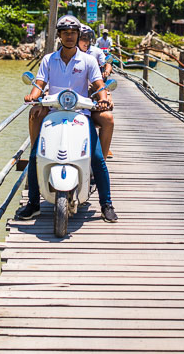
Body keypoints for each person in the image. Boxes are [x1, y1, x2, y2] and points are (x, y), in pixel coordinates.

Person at [17, 15, 118, 223]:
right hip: (53, 114)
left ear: (78, 35)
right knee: (36, 156)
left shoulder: (88, 60)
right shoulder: (49, 59)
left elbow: (99, 84)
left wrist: (103, 98)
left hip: (81, 114)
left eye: (73, 33)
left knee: (98, 158)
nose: (69, 36)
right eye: (65, 33)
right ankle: (33, 204)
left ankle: (106, 204)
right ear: (59, 36)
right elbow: (39, 83)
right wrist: (33, 97)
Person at [79, 25, 115, 159]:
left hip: (89, 97)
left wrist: (105, 97)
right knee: (38, 112)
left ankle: (101, 162)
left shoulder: (94, 56)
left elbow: (100, 80)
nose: (85, 42)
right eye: (82, 38)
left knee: (107, 118)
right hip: (67, 100)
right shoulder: (56, 57)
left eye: (87, 38)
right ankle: (35, 158)